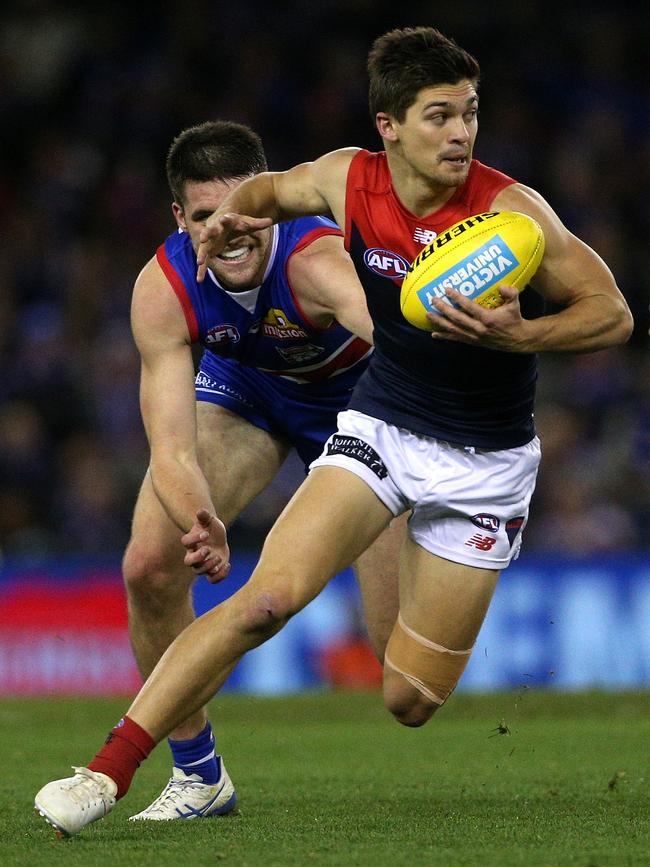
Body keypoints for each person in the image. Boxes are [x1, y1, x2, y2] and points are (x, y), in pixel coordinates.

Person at [35, 27, 633, 837]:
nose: (460, 133)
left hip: (484, 462)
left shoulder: (511, 212)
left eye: (470, 114)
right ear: (388, 126)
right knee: (264, 600)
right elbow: (271, 190)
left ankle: (423, 562)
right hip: (381, 425)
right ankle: (107, 772)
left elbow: (612, 313)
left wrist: (518, 336)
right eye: (438, 116)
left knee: (408, 696)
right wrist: (228, 219)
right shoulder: (349, 179)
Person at [62, 119, 405, 825]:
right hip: (251, 393)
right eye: (206, 216)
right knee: (151, 566)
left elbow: (391, 334)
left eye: (243, 208)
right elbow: (172, 449)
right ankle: (199, 775)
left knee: (405, 674)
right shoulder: (163, 287)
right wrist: (200, 518)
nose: (231, 230)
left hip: (368, 405)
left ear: (269, 197)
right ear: (179, 219)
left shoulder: (316, 257)